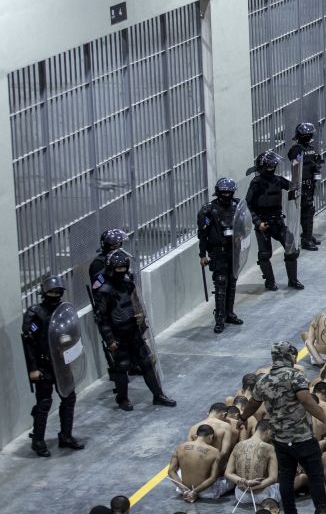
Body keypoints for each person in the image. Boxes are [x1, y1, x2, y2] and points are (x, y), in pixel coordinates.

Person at [240, 341, 326, 514]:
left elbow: (253, 403)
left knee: (286, 479)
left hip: (280, 439)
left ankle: (290, 512)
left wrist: (242, 418)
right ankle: (321, 510)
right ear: (288, 356)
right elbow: (306, 400)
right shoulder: (295, 376)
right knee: (315, 477)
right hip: (302, 437)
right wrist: (324, 420)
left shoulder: (263, 380)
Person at [91, 250, 176, 411]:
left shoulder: (128, 283)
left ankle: (158, 395)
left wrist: (141, 320)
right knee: (122, 366)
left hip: (134, 330)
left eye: (124, 268)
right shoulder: (105, 291)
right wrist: (110, 340)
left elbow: (136, 302)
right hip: (118, 334)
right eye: (118, 269)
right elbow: (102, 319)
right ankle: (122, 399)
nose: (121, 272)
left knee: (146, 363)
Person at [22, 274, 82, 456]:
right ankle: (38, 440)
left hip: (61, 362)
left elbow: (71, 335)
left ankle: (66, 436)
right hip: (43, 364)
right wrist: (33, 369)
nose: (55, 295)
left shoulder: (63, 312)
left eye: (58, 292)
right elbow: (28, 343)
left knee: (69, 397)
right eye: (51, 292)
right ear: (44, 292)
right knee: (44, 403)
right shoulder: (35, 314)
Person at [246, 151, 303, 291]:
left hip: (278, 221)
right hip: (263, 224)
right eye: (269, 165)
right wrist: (257, 222)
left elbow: (293, 187)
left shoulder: (277, 179)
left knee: (291, 249)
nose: (272, 167)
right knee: (265, 254)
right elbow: (248, 205)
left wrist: (299, 179)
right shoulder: (256, 183)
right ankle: (270, 282)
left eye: (273, 165)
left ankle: (293, 280)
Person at [197, 177, 247, 333]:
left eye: (229, 192)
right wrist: (202, 255)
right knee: (220, 283)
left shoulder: (238, 206)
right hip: (218, 252)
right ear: (218, 192)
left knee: (232, 282)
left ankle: (229, 313)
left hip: (234, 250)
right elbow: (202, 234)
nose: (226, 195)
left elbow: (244, 226)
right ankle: (219, 318)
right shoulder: (208, 211)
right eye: (223, 192)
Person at [286, 123, 325, 249]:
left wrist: (317, 164)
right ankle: (306, 240)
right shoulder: (296, 149)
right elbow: (295, 165)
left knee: (309, 211)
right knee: (306, 212)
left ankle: (308, 235)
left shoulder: (310, 148)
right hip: (301, 185)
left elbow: (313, 162)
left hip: (310, 185)